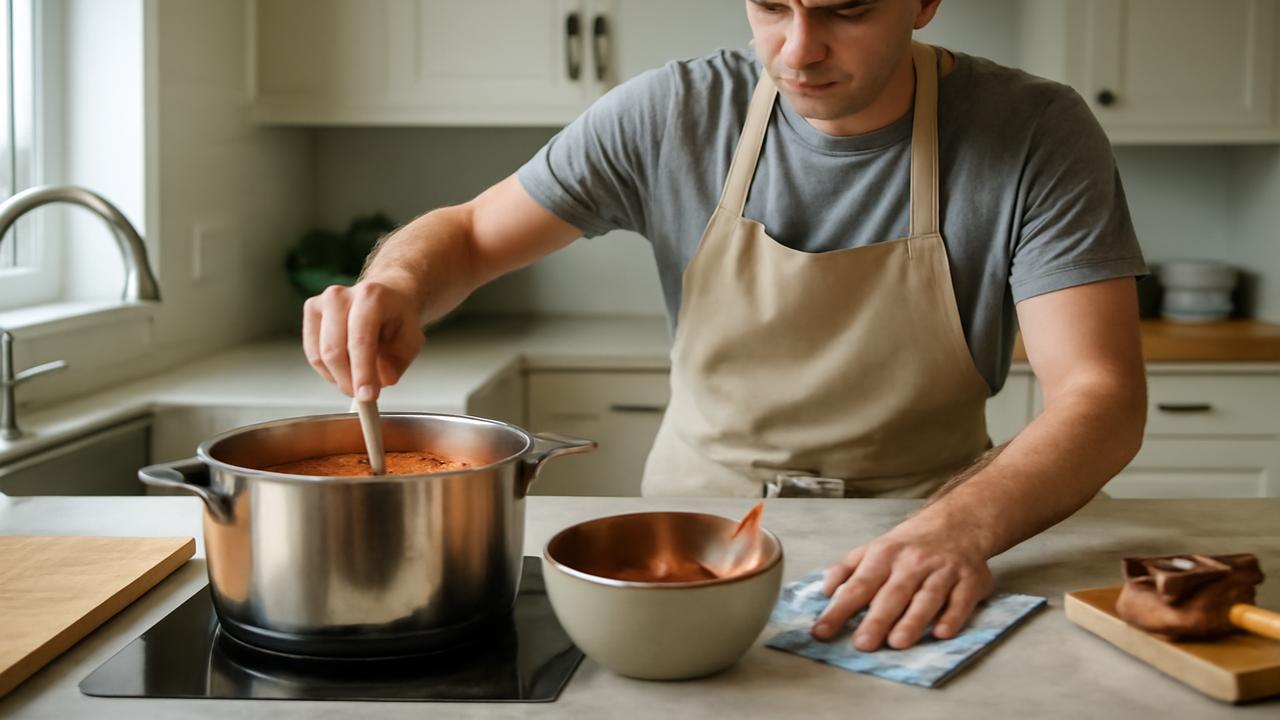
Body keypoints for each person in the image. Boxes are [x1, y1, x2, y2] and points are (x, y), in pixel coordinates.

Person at [302, 0, 1148, 652]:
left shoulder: (1034, 131)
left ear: (924, 3)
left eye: (847, 10)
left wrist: (956, 528)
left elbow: (1099, 394)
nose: (798, 49)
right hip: (695, 533)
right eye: (772, 6)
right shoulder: (673, 112)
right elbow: (470, 234)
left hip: (926, 534)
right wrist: (395, 282)